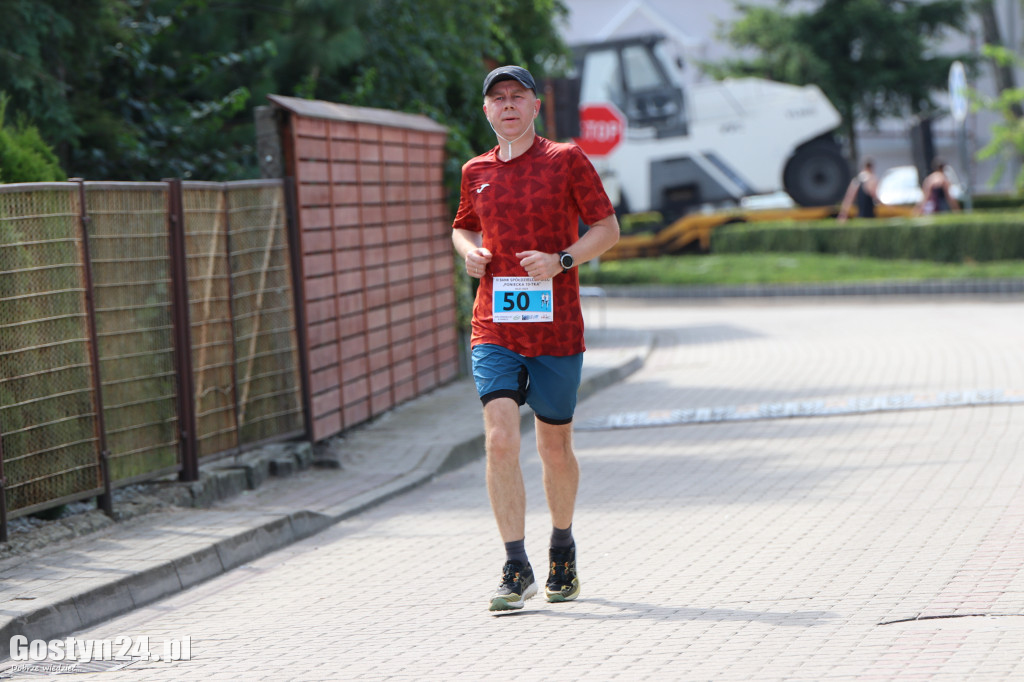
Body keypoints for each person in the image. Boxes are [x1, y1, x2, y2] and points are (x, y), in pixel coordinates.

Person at [451, 65, 620, 612]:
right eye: (497, 98)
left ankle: (562, 549)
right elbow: (463, 224)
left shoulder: (565, 160)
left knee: (554, 445)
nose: (507, 106)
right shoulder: (475, 169)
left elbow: (607, 229)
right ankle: (515, 563)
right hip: (494, 326)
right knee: (500, 438)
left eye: (517, 97)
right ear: (486, 110)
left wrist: (562, 259)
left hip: (556, 327)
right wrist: (469, 252)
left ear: (534, 107)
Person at [838, 158, 880, 222]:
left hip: (860, 216)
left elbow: (849, 198)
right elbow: (875, 196)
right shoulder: (871, 179)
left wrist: (843, 214)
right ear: (871, 167)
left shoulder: (857, 180)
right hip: (870, 217)